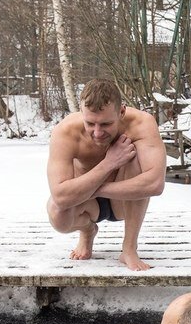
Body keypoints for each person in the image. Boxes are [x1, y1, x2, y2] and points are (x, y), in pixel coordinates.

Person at [46, 78, 166, 271]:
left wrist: (94, 189)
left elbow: (155, 184)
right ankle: (87, 231)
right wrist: (109, 163)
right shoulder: (66, 132)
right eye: (90, 123)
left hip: (124, 201)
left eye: (106, 124)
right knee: (58, 215)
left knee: (134, 157)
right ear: (81, 112)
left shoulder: (142, 123)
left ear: (122, 112)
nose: (97, 132)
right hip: (87, 204)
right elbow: (60, 196)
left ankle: (129, 248)